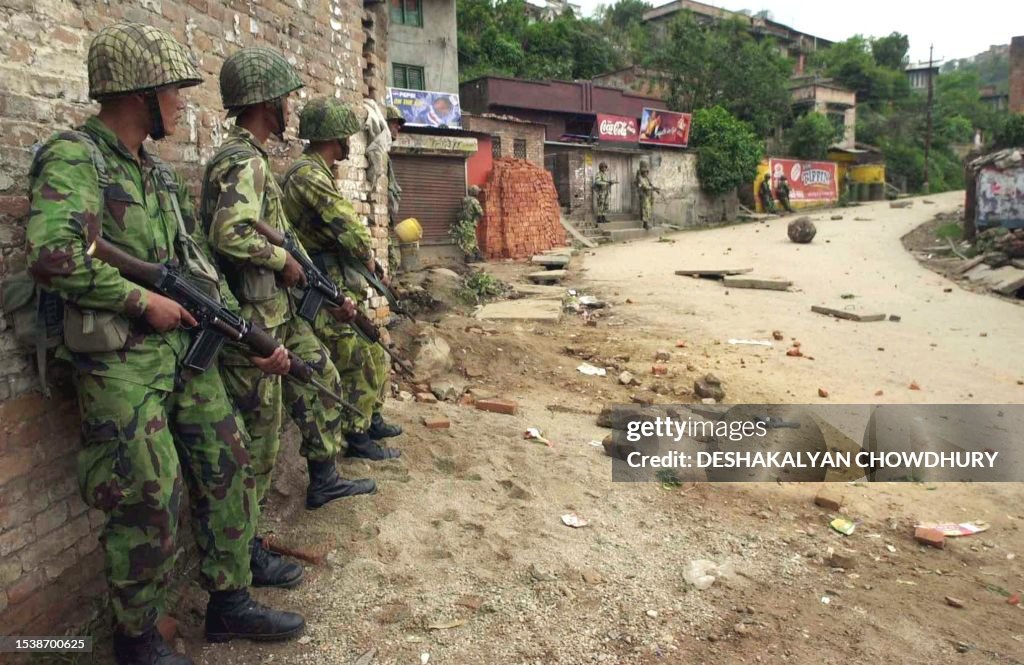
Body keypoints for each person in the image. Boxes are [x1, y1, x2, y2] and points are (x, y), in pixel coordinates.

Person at [26, 23, 304, 663]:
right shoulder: (75, 158)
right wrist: (141, 299)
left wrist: (249, 336)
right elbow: (54, 255)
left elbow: (196, 267)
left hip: (180, 354)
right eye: (175, 90)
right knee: (149, 492)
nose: (182, 103)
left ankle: (228, 603)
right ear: (139, 94)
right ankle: (136, 637)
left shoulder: (155, 175)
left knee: (229, 461)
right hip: (119, 362)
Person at [201, 47, 377, 583]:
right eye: (284, 101)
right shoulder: (242, 160)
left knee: (317, 370)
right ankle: (245, 553)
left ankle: (323, 474)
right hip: (250, 318)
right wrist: (283, 261)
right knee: (257, 442)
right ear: (267, 104)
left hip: (275, 309)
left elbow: (272, 229)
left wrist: (299, 267)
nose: (289, 110)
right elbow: (228, 234)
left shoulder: (251, 157)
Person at [281, 96, 402, 462]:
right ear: (334, 137)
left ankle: (371, 418)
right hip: (321, 279)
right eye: (345, 136)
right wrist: (369, 256)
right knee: (355, 355)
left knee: (370, 344)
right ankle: (357, 434)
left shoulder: (316, 171)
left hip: (335, 274)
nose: (350, 142)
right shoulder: (308, 175)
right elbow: (348, 227)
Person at [385, 104, 405, 273]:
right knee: (391, 262)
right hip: (382, 223)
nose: (398, 127)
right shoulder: (381, 154)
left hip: (386, 223)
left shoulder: (386, 156)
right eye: (394, 123)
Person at [452, 185, 485, 261]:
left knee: (467, 239)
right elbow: (480, 212)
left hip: (463, 223)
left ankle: (475, 255)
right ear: (474, 192)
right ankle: (471, 257)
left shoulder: (464, 200)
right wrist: (476, 219)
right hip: (470, 222)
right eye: (477, 191)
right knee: (471, 239)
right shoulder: (474, 201)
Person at [635, 161, 659, 230]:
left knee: (648, 209)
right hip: (644, 195)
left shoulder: (646, 179)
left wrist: (655, 189)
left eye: (646, 172)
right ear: (642, 172)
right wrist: (652, 188)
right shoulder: (640, 179)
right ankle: (645, 224)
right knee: (645, 209)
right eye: (644, 172)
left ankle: (647, 223)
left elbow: (650, 186)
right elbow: (644, 187)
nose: (646, 173)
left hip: (648, 196)